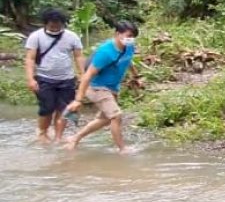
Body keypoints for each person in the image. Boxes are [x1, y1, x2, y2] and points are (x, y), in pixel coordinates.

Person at [64, 21, 140, 153]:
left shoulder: (129, 46)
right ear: (117, 34)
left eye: (133, 37)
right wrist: (78, 100)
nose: (130, 39)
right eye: (128, 36)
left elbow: (128, 60)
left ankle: (75, 138)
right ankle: (122, 149)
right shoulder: (105, 52)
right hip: (96, 87)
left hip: (112, 88)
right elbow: (87, 75)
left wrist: (136, 76)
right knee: (116, 116)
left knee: (104, 120)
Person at [24, 8, 85, 144]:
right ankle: (43, 132)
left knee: (64, 109)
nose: (55, 27)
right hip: (44, 78)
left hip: (67, 79)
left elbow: (79, 56)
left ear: (63, 23)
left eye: (59, 25)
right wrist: (30, 79)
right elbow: (30, 58)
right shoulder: (36, 36)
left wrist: (82, 75)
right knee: (47, 108)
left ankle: (58, 136)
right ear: (46, 23)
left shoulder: (72, 36)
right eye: (52, 25)